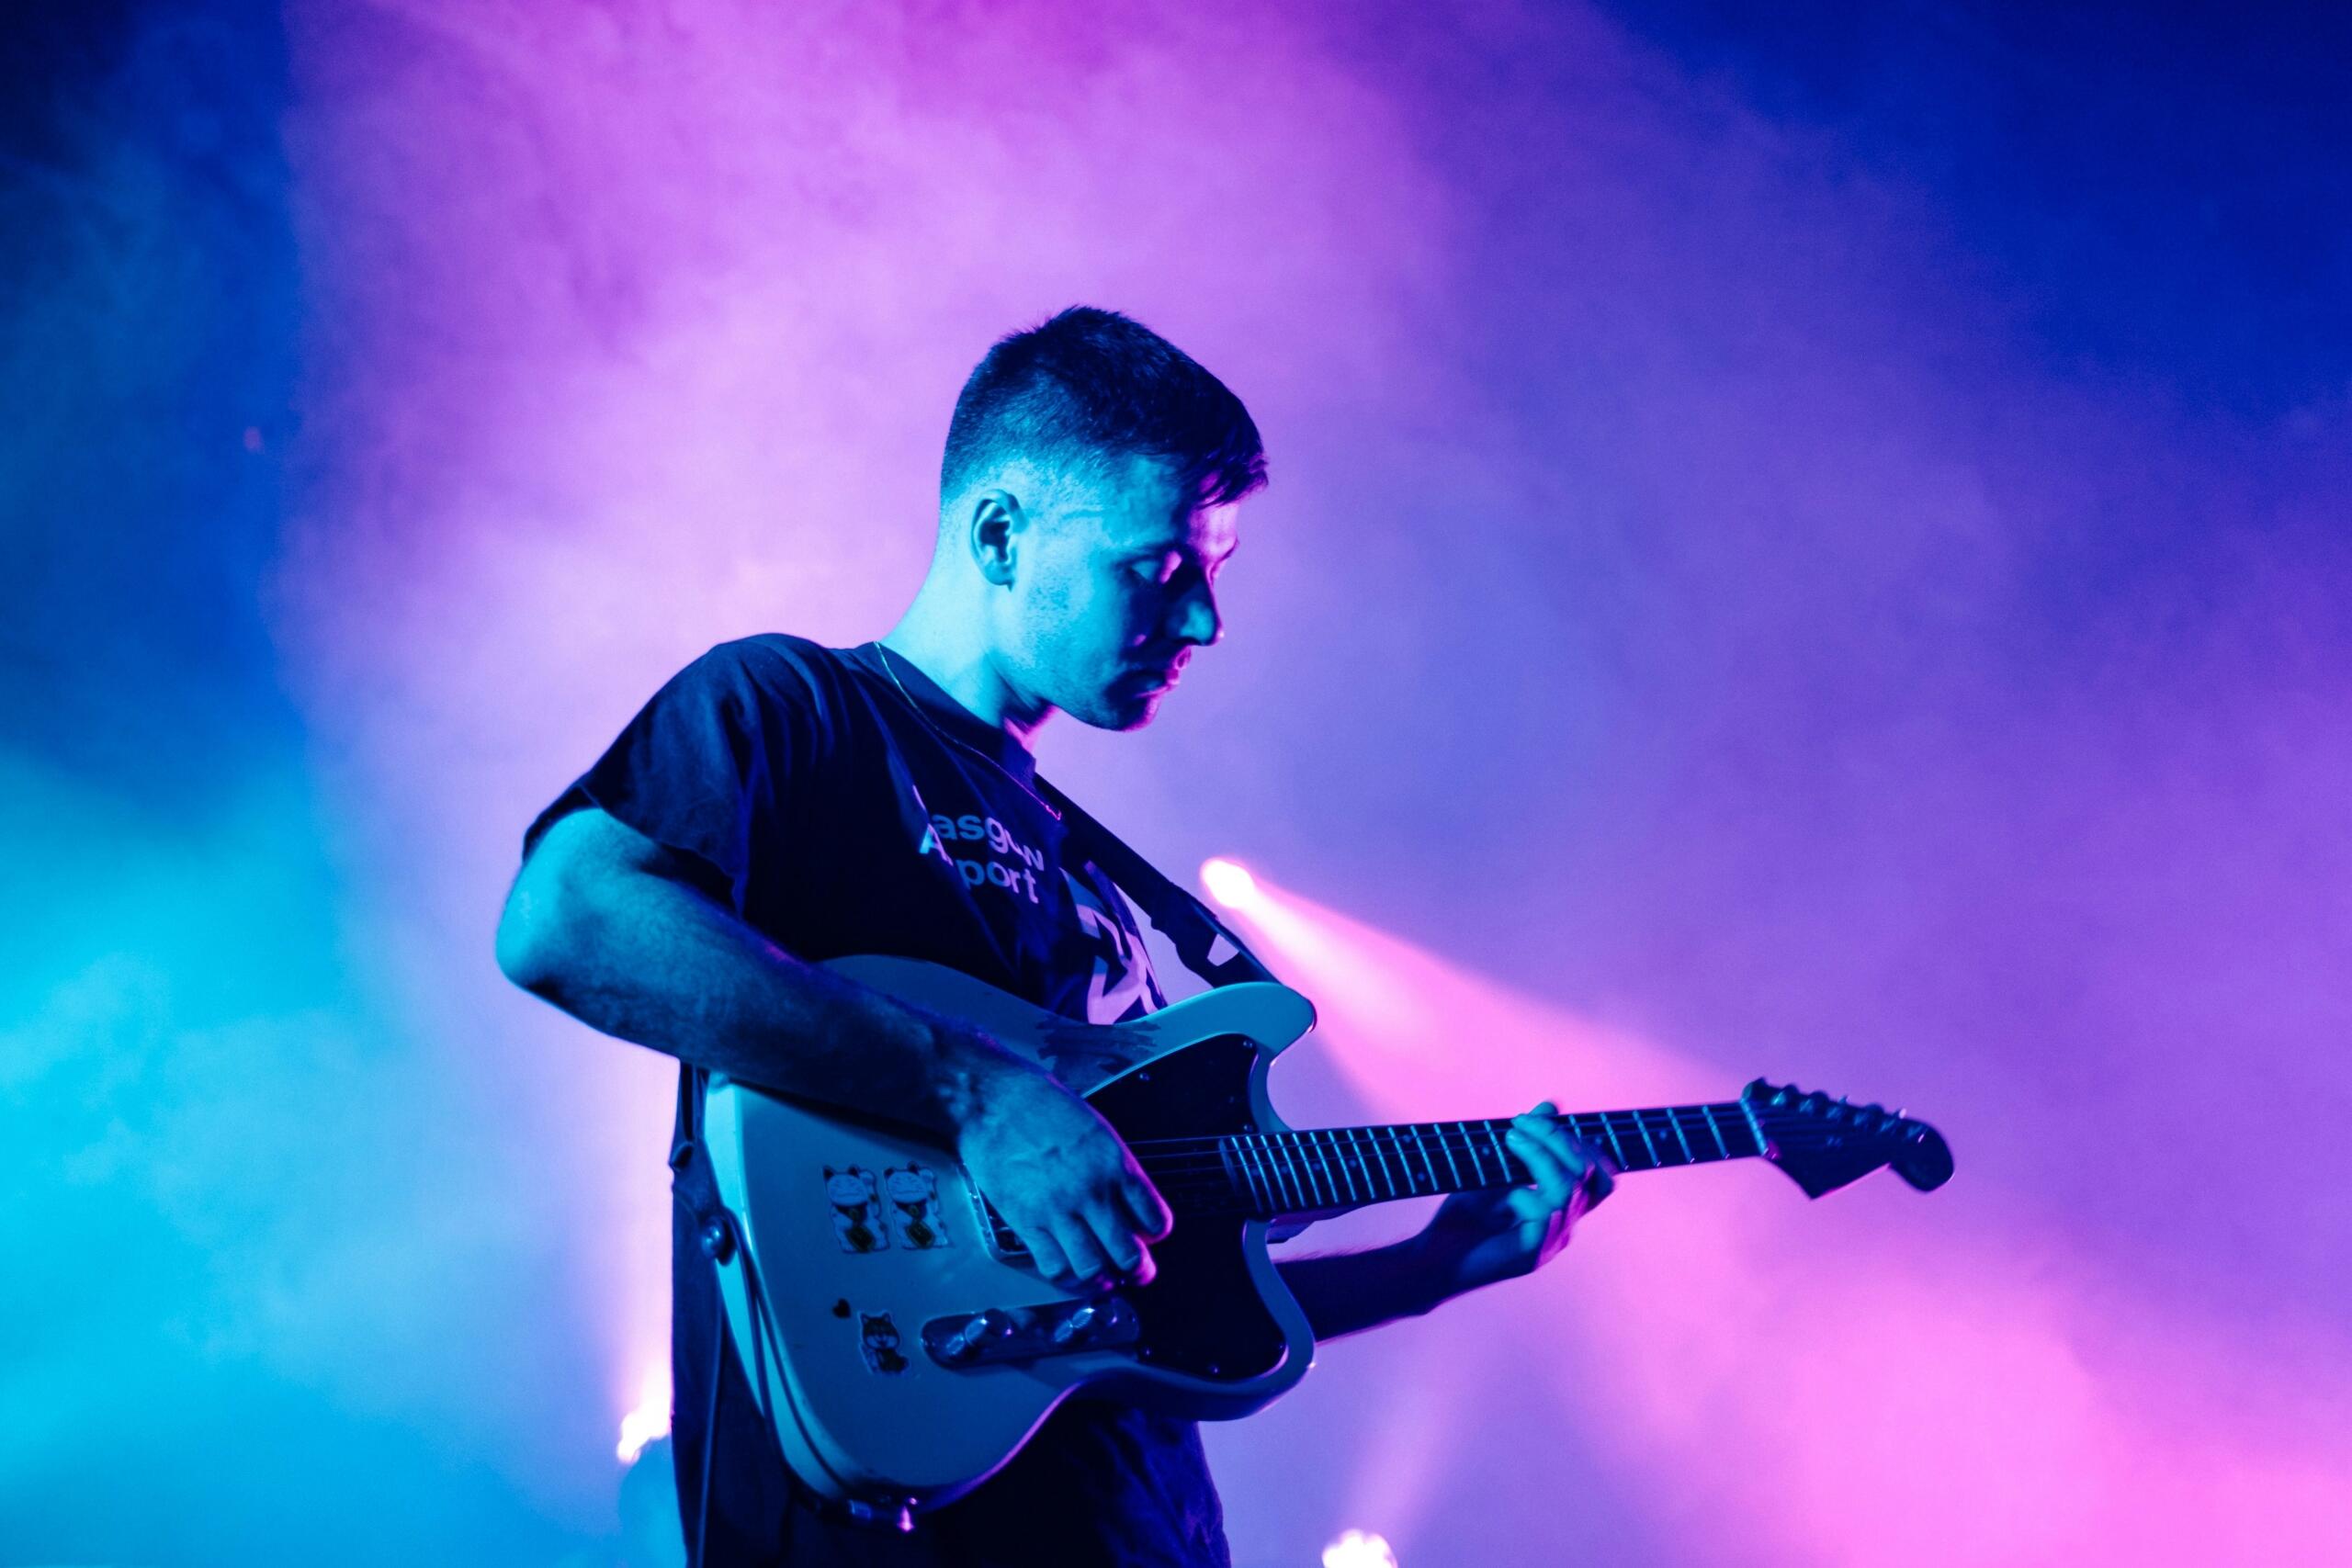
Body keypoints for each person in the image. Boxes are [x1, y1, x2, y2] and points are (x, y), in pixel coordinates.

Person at [494, 306, 1612, 1566]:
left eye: (1214, 577)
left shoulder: (1104, 890)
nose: (1202, 626)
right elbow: (567, 918)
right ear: (1001, 534)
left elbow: (1143, 1311)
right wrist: (975, 1094)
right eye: (1160, 568)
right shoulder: (795, 710)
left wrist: (1435, 1265)